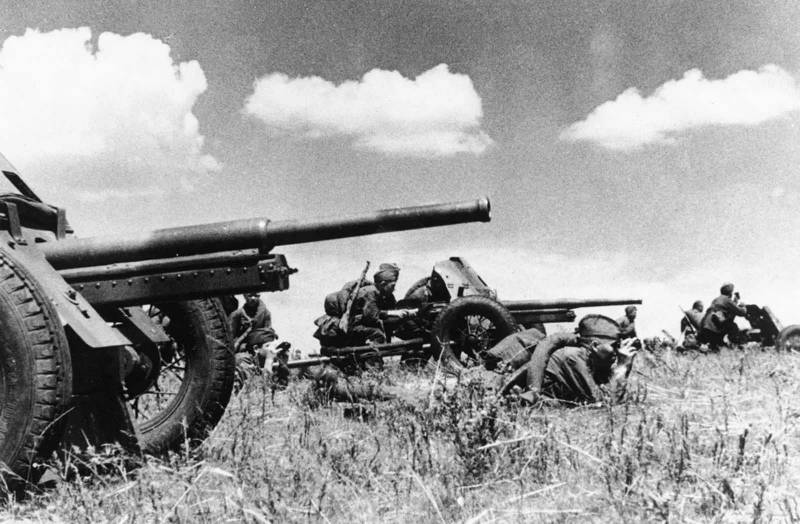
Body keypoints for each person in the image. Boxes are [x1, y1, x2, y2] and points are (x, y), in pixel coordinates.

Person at [698, 283, 747, 352]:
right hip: (715, 328)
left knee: (718, 348)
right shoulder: (726, 299)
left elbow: (725, 311)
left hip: (706, 328)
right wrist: (743, 306)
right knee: (733, 326)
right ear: (730, 293)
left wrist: (734, 302)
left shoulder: (715, 300)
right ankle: (740, 346)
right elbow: (741, 312)